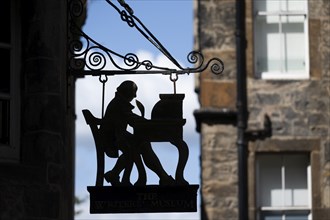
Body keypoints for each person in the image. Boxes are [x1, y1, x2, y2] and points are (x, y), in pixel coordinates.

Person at [99, 80, 174, 186]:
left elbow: (131, 117)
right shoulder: (119, 103)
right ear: (127, 91)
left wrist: (144, 122)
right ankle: (161, 177)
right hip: (113, 138)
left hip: (116, 136)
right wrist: (147, 123)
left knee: (142, 144)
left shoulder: (119, 102)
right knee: (142, 145)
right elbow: (131, 119)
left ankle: (114, 174)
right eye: (134, 92)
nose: (135, 96)